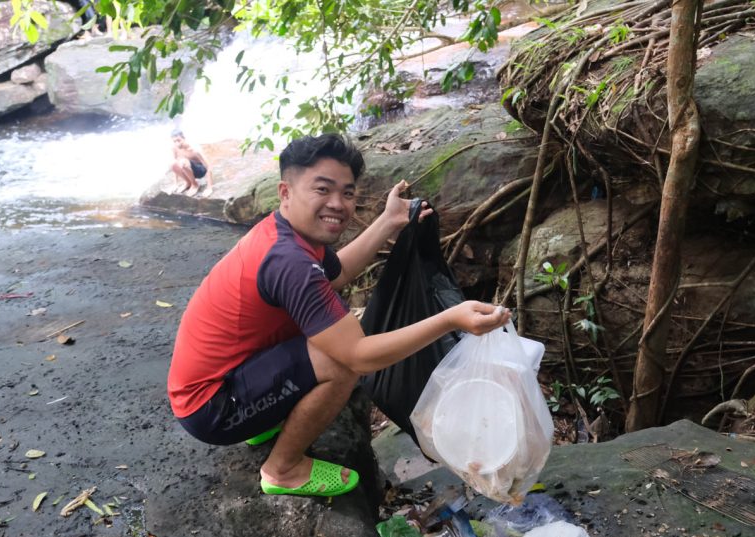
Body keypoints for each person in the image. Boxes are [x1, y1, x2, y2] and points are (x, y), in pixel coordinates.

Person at [167, 133, 510, 497]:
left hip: (225, 375)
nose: (338, 203)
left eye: (347, 193)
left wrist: (390, 221)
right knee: (339, 362)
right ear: (285, 192)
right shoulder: (289, 262)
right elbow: (358, 357)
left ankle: (261, 417)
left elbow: (337, 275)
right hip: (210, 406)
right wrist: (450, 320)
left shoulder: (286, 233)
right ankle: (281, 470)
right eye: (323, 190)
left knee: (330, 335)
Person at [171, 131, 213, 197]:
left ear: (184, 138)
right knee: (172, 163)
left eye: (179, 140)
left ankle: (195, 185)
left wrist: (209, 188)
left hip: (200, 171)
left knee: (183, 161)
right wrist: (175, 183)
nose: (177, 143)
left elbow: (208, 167)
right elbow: (175, 164)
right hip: (188, 170)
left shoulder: (194, 149)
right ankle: (188, 182)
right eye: (174, 141)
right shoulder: (174, 148)